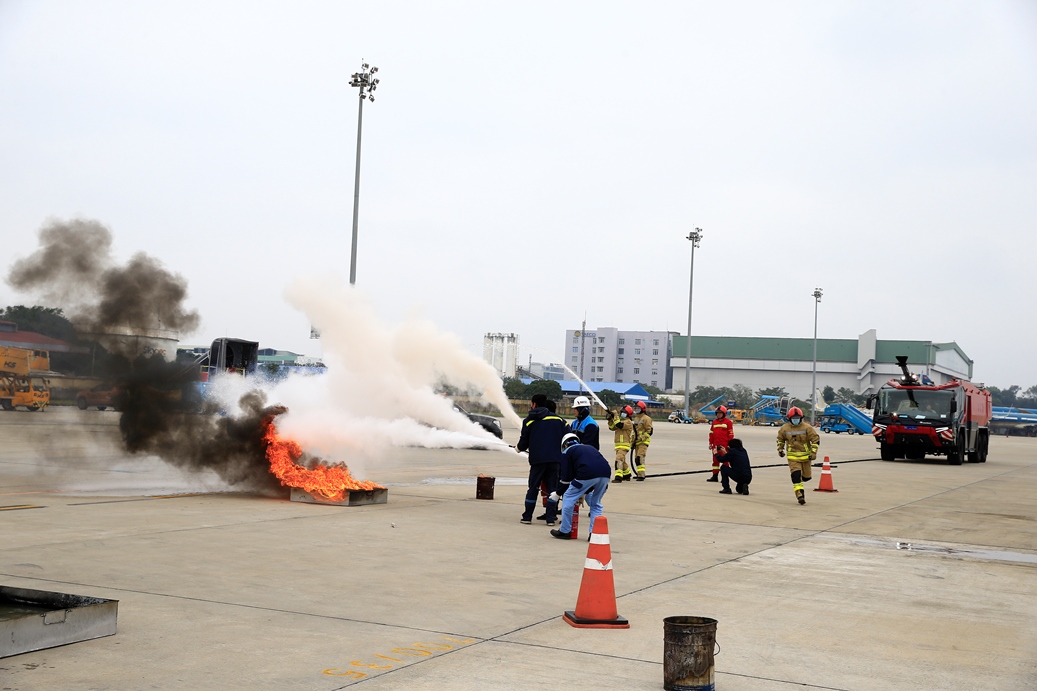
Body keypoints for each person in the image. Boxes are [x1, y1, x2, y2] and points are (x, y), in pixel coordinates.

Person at [516, 393, 567, 525]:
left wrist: (518, 448)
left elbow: (523, 443)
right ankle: (550, 519)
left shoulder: (529, 420)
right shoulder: (560, 420)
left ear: (534, 404)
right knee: (552, 489)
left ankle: (527, 517)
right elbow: (568, 438)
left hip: (537, 461)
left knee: (533, 488)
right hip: (555, 461)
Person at [550, 433, 612, 539]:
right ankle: (594, 534)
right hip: (606, 474)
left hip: (586, 474)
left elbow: (566, 478)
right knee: (595, 504)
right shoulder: (589, 448)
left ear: (564, 445)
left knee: (568, 498)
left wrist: (557, 493)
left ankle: (565, 531)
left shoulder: (567, 452)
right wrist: (585, 491)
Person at [776, 406, 820, 505]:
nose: (795, 420)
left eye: (797, 418)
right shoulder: (784, 428)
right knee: (795, 477)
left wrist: (813, 453)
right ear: (789, 418)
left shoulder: (807, 428)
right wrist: (780, 449)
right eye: (793, 418)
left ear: (801, 418)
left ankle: (805, 477)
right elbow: (780, 440)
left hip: (806, 457)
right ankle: (800, 495)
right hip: (793, 458)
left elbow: (815, 440)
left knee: (806, 477)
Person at [606, 405, 635, 482]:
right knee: (623, 460)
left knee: (618, 459)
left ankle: (618, 477)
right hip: (618, 445)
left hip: (624, 445)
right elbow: (612, 427)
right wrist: (610, 419)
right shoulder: (620, 420)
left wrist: (615, 415)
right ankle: (627, 475)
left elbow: (619, 425)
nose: (621, 413)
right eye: (621, 412)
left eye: (623, 412)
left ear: (628, 414)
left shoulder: (628, 422)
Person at [706, 405, 735, 483]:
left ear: (724, 414)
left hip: (724, 445)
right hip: (715, 445)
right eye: (717, 413)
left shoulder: (728, 422)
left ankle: (724, 477)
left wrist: (730, 444)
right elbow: (711, 433)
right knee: (715, 461)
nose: (719, 414)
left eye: (720, 413)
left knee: (725, 461)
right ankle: (715, 476)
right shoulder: (714, 422)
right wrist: (710, 443)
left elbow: (731, 434)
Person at [631, 400, 654, 480]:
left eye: (638, 408)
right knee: (636, 459)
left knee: (640, 457)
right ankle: (639, 473)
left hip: (643, 442)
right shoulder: (636, 418)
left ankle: (641, 475)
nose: (636, 409)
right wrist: (632, 441)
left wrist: (641, 438)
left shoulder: (647, 419)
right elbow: (634, 431)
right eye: (636, 408)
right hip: (637, 442)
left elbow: (649, 431)